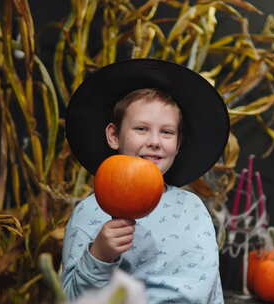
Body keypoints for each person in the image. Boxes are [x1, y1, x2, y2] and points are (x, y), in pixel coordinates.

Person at [62, 59, 230, 303]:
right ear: (113, 135)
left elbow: (212, 291)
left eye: (167, 132)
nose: (155, 141)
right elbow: (68, 297)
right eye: (141, 128)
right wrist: (99, 254)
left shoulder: (193, 209)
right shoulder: (89, 213)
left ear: (178, 143)